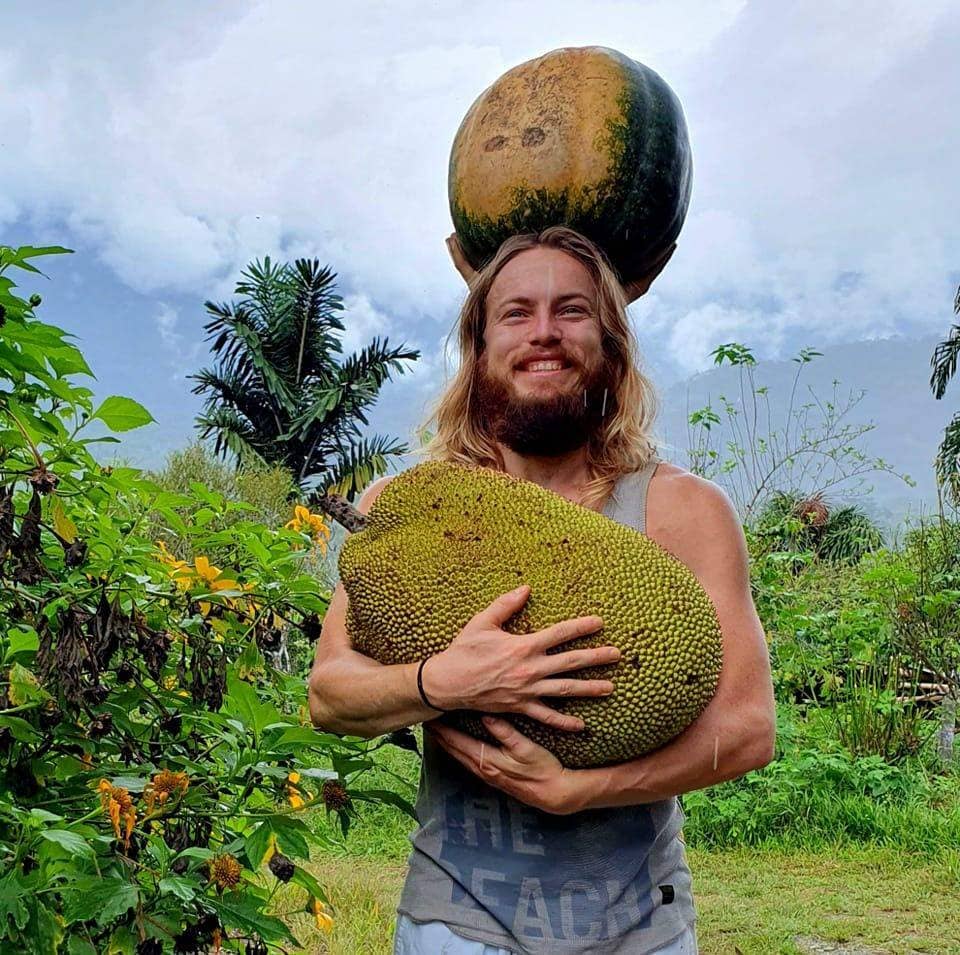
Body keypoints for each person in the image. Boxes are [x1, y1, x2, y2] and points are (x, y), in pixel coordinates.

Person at [308, 226, 776, 954]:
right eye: (517, 312)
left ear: (612, 343)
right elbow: (330, 695)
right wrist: (447, 679)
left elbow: (748, 728)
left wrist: (583, 787)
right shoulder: (412, 504)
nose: (544, 333)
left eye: (573, 311)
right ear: (481, 345)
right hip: (454, 920)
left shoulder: (685, 510)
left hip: (638, 927)